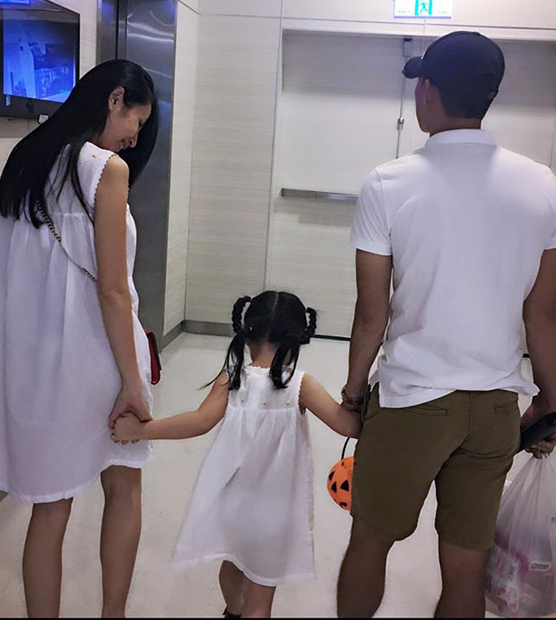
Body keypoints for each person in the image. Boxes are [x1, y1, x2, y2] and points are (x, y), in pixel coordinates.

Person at [337, 31, 556, 618]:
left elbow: (371, 315)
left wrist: (354, 394)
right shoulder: (543, 186)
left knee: (370, 543)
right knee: (465, 566)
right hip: (494, 408)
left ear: (428, 91)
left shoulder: (388, 182)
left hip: (412, 400)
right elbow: (542, 314)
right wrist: (549, 403)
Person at [0, 60, 159, 618]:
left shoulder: (26, 158)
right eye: (136, 120)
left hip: (38, 363)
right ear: (114, 99)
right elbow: (114, 289)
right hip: (101, 358)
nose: (134, 137)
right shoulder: (106, 169)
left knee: (49, 508)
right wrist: (132, 382)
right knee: (124, 488)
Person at [111, 291, 360, 619]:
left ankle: (233, 611)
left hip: (234, 507)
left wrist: (140, 430)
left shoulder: (232, 377)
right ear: (297, 341)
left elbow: (198, 421)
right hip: (275, 513)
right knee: (260, 600)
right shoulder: (300, 385)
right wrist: (362, 400)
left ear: (247, 336)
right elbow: (347, 426)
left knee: (232, 567)